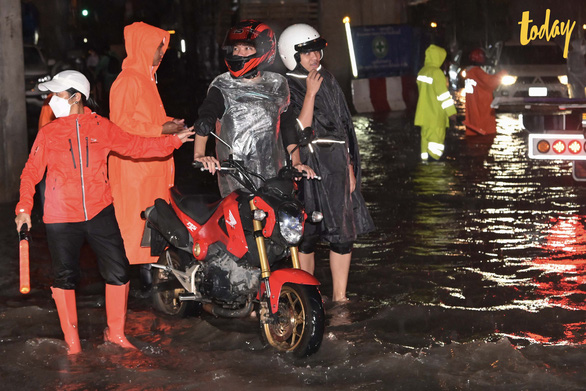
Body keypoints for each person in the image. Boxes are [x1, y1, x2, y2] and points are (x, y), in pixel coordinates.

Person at [14, 70, 194, 355]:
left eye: (56, 95)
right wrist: (24, 208)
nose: (50, 102)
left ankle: (116, 333)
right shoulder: (48, 133)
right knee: (64, 278)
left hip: (99, 211)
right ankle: (73, 345)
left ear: (76, 97)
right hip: (60, 217)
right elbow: (30, 172)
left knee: (119, 272)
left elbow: (136, 146)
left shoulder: (102, 127)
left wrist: (173, 141)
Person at [278, 24, 374, 302]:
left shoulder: (328, 79)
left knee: (343, 234)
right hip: (307, 163)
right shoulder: (285, 85)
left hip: (335, 165)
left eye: (315, 50)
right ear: (292, 55)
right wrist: (308, 92)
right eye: (306, 52)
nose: (314, 56)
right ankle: (308, 298)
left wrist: (350, 166)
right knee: (306, 235)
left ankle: (340, 299)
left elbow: (343, 127)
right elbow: (297, 130)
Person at [108, 22, 187, 290]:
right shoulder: (128, 80)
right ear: (142, 48)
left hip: (151, 167)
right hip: (135, 171)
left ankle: (152, 287)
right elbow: (120, 125)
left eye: (163, 47)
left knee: (153, 228)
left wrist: (169, 123)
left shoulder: (146, 79)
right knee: (137, 229)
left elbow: (147, 118)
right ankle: (137, 290)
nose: (161, 53)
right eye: (158, 47)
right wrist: (161, 129)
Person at [193, 20, 312, 196]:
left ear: (264, 51)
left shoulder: (278, 85)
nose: (239, 53)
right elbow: (206, 117)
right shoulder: (222, 85)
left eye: (247, 48)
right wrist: (199, 155)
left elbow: (287, 126)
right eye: (236, 48)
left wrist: (296, 162)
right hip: (235, 176)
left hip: (275, 176)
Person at [415, 44, 457, 161]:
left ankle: (425, 170)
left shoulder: (422, 72)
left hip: (424, 117)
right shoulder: (436, 73)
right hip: (436, 118)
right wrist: (451, 113)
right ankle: (435, 175)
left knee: (425, 148)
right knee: (436, 151)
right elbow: (443, 95)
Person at [463, 48, 507, 136]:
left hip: (473, 114)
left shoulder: (470, 72)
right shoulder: (476, 72)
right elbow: (490, 82)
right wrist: (502, 73)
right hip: (481, 114)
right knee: (484, 142)